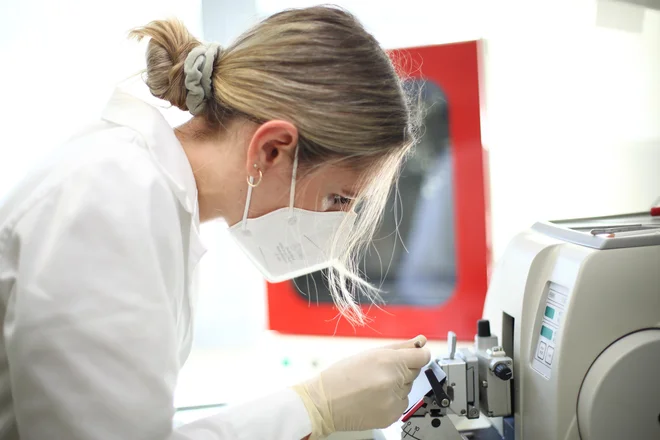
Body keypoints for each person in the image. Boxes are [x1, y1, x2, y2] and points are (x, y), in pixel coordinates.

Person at [0, 6, 430, 440]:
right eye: (338, 198)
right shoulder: (109, 203)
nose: (336, 224)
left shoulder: (158, 203)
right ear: (271, 150)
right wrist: (313, 407)